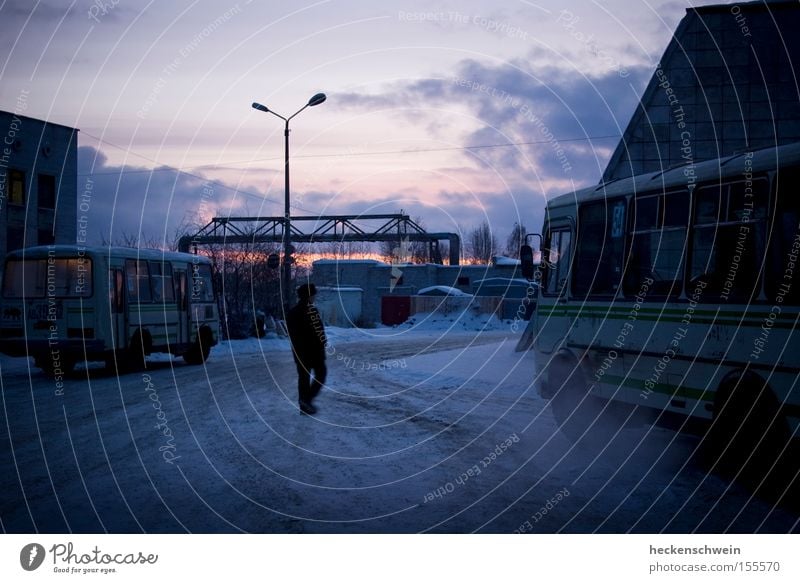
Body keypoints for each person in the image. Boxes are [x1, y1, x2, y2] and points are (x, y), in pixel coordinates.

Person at [286, 283, 327, 415]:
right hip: (314, 352)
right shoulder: (312, 310)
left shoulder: (292, 312)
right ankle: (306, 401)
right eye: (313, 294)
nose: (315, 297)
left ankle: (304, 407)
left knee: (303, 378)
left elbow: (292, 334)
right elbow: (319, 331)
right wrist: (323, 343)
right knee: (321, 374)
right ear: (309, 296)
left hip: (299, 352)